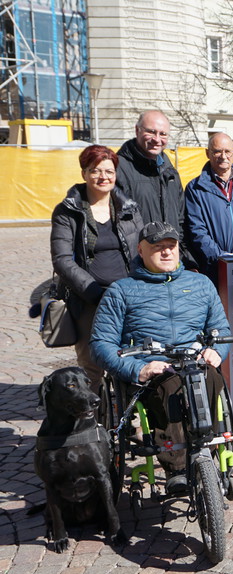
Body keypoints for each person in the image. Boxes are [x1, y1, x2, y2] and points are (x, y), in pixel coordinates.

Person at [90, 221, 231, 496]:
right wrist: (138, 370)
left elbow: (221, 330)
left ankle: (206, 454)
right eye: (158, 248)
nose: (166, 253)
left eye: (171, 246)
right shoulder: (121, 290)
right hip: (151, 367)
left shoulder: (201, 283)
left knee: (210, 376)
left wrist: (215, 351)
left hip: (193, 360)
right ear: (141, 251)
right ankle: (177, 467)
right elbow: (100, 344)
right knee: (170, 385)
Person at [50, 145, 143, 393]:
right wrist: (96, 294)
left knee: (131, 360)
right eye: (95, 171)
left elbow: (141, 251)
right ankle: (93, 424)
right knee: (92, 367)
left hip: (126, 299)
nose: (103, 177)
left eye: (109, 171)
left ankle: (131, 422)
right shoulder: (67, 212)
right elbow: (62, 260)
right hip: (88, 300)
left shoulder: (129, 209)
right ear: (84, 173)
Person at [116, 110, 194, 268]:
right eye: (151, 132)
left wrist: (185, 258)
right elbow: (118, 224)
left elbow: (180, 219)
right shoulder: (118, 169)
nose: (157, 139)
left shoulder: (170, 171)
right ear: (137, 130)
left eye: (163, 134)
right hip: (137, 264)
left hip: (169, 261)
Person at [185, 133, 233, 286]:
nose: (223, 156)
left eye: (227, 151)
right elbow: (196, 230)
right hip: (214, 270)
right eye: (217, 151)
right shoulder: (195, 189)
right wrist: (222, 259)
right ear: (208, 153)